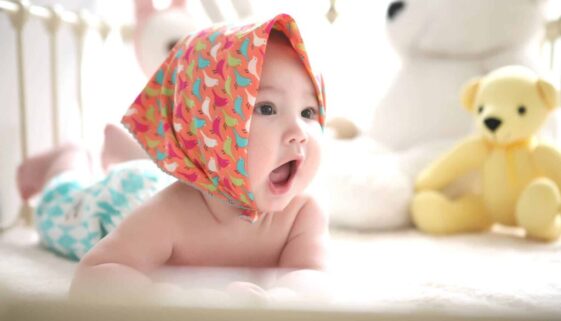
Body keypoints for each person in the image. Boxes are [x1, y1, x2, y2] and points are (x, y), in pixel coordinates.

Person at [17, 14, 328, 302]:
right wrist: (179, 298)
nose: (299, 131)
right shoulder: (171, 213)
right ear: (210, 126)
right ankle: (66, 160)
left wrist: (282, 300)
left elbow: (311, 274)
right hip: (124, 195)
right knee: (59, 206)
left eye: (308, 112)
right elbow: (91, 275)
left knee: (151, 169)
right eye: (267, 108)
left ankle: (128, 151)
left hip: (179, 174)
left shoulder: (302, 213)